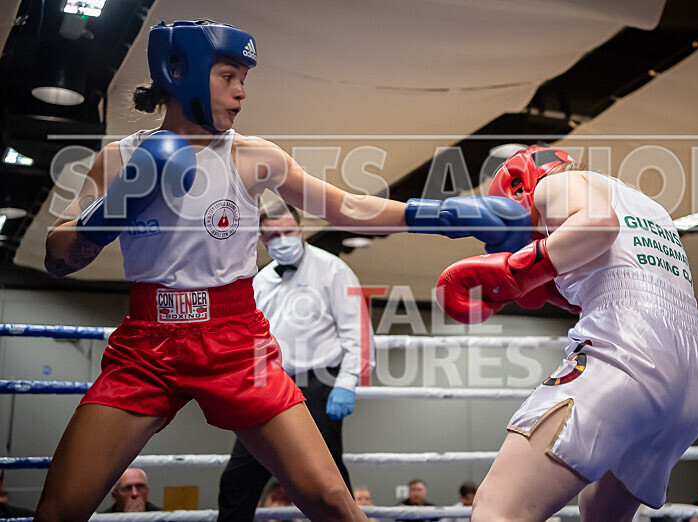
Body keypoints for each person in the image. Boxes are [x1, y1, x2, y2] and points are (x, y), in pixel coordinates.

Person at [34, 19, 531, 522]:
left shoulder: (254, 158)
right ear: (179, 71)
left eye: (244, 78)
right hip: (147, 345)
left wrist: (443, 216)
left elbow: (346, 209)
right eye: (228, 76)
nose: (242, 92)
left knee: (333, 501)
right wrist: (113, 210)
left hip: (234, 342)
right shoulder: (119, 160)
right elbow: (57, 257)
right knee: (58, 511)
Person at [437, 145, 698, 521]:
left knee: (498, 508)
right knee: (600, 513)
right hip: (695, 377)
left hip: (628, 351)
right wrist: (544, 283)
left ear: (520, 190)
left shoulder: (552, 187)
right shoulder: (649, 208)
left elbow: (599, 225)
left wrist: (515, 273)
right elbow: (619, 274)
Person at [218, 201, 373, 521]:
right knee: (238, 477)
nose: (282, 238)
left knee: (328, 482)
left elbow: (358, 332)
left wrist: (345, 383)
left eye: (288, 230)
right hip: (269, 383)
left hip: (320, 382)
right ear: (261, 238)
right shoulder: (259, 280)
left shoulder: (333, 269)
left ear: (301, 230)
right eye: (273, 234)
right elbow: (253, 340)